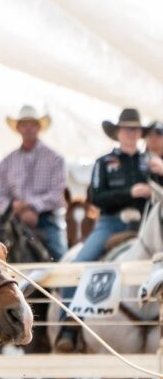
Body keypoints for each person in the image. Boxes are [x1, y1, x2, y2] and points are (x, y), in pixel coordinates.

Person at [55, 108, 152, 352]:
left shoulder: (150, 162)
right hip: (110, 223)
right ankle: (70, 324)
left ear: (140, 133)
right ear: (118, 132)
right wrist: (129, 193)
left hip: (146, 225)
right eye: (128, 129)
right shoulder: (104, 163)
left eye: (136, 129)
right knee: (78, 264)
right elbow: (96, 198)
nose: (132, 133)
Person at [0, 104, 68, 260]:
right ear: (18, 128)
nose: (28, 128)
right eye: (24, 125)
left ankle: (67, 283)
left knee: (61, 257)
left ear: (39, 127)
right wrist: (15, 208)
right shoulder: (7, 162)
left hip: (46, 220)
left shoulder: (55, 159)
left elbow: (58, 195)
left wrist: (30, 205)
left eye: (32, 124)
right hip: (13, 221)